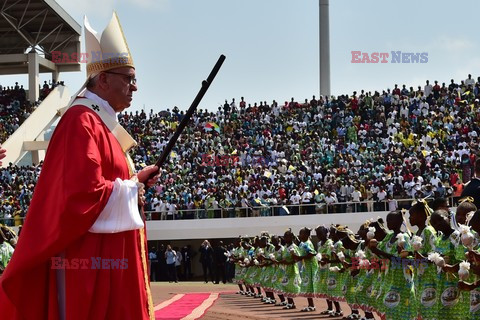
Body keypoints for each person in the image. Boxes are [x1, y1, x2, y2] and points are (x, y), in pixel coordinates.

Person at [0, 13, 160, 320]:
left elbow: (106, 183)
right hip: (90, 260)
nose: (134, 87)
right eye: (128, 78)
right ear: (103, 79)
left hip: (107, 255)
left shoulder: (99, 123)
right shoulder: (81, 121)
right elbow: (82, 194)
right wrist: (130, 189)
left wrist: (136, 182)